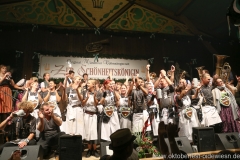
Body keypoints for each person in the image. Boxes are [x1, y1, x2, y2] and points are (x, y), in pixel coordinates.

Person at [81, 80, 99, 158]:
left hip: (94, 115)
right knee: (88, 132)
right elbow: (83, 103)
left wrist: (94, 96)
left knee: (93, 132)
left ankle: (94, 150)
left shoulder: (97, 92)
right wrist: (87, 97)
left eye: (89, 83)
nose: (87, 84)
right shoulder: (84, 92)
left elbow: (96, 104)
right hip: (86, 114)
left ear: (93, 85)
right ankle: (89, 150)